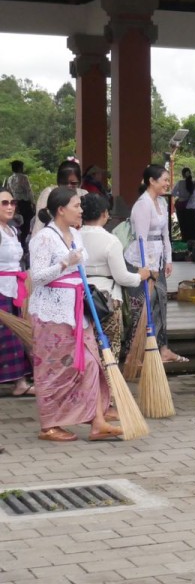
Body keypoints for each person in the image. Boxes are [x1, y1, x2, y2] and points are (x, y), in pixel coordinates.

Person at [27, 188, 124, 442]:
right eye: (76, 205)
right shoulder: (43, 238)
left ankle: (97, 421)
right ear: (61, 210)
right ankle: (49, 425)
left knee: (91, 363)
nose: (81, 210)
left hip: (78, 309)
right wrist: (64, 263)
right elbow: (36, 277)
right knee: (53, 368)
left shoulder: (76, 236)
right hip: (52, 312)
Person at [80, 193, 153, 364]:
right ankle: (109, 386)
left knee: (86, 348)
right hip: (106, 300)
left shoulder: (74, 237)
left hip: (80, 296)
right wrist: (140, 276)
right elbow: (122, 277)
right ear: (105, 213)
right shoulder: (111, 241)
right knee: (109, 348)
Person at [124, 164, 184, 362]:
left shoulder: (162, 203)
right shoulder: (142, 204)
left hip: (157, 260)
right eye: (165, 180)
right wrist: (146, 268)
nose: (168, 183)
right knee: (142, 305)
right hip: (142, 262)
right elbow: (141, 239)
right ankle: (138, 349)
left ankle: (163, 348)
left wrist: (168, 259)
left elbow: (165, 234)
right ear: (152, 181)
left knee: (161, 303)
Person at [0, 188, 33, 396]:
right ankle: (19, 381)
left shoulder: (11, 230)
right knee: (6, 335)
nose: (10, 206)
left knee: (14, 333)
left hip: (14, 288)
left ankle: (20, 381)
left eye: (12, 202)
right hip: (1, 288)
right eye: (4, 203)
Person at [30, 162, 82, 237]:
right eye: (64, 183)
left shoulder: (83, 194)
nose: (68, 186)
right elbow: (39, 224)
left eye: (73, 183)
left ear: (79, 182)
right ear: (58, 181)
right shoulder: (49, 193)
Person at [4, 160, 34, 246]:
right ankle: (24, 243)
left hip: (15, 204)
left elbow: (9, 191)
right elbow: (28, 191)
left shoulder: (9, 179)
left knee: (17, 223)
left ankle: (18, 240)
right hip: (24, 203)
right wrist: (33, 202)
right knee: (27, 223)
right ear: (20, 168)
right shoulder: (24, 177)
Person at [172, 167, 195, 241]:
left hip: (182, 209)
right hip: (193, 209)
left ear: (182, 175)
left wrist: (181, 195)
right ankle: (194, 247)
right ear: (190, 174)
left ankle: (186, 247)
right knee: (193, 229)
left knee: (184, 229)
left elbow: (173, 193)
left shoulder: (180, 183)